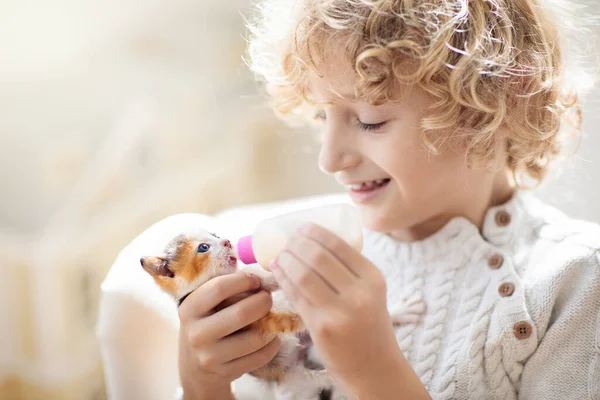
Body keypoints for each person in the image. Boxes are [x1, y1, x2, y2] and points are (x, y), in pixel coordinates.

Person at [177, 0, 600, 398]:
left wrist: (374, 372)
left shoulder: (575, 281)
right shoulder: (307, 259)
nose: (330, 159)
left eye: (369, 121)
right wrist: (204, 385)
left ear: (503, 100)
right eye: (323, 115)